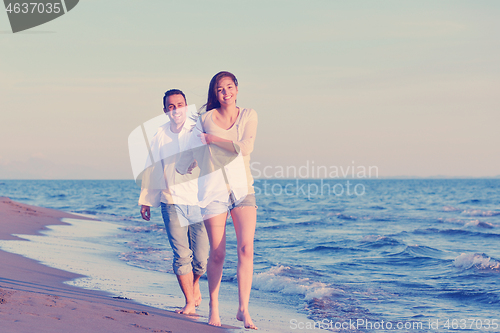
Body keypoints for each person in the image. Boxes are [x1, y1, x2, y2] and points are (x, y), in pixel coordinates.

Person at [177, 71, 258, 329]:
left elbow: (245, 148)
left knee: (246, 249)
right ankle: (214, 307)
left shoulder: (248, 115)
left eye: (229, 87)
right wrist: (184, 166)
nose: (226, 92)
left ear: (236, 88)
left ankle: (243, 309)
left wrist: (213, 139)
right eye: (220, 89)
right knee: (218, 253)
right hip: (213, 191)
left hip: (242, 189)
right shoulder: (204, 119)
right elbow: (192, 149)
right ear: (215, 93)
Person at [138, 89, 209, 315]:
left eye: (180, 104)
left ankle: (195, 282)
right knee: (181, 255)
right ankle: (189, 301)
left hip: (200, 201)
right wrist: (147, 200)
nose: (176, 109)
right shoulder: (159, 135)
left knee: (201, 260)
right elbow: (152, 168)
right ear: (165, 110)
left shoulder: (197, 129)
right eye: (171, 106)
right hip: (171, 201)